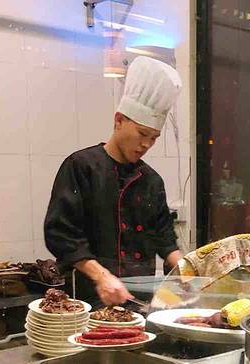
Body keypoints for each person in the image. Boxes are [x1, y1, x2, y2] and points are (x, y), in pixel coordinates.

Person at [44, 56, 183, 307]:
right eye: (142, 133)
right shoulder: (81, 166)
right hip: (90, 299)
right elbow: (62, 234)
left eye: (154, 138)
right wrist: (102, 277)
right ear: (118, 120)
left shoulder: (152, 180)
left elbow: (164, 237)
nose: (146, 144)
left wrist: (188, 269)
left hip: (139, 301)